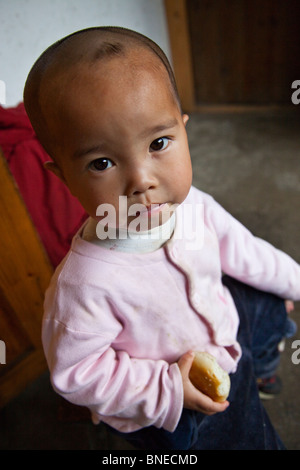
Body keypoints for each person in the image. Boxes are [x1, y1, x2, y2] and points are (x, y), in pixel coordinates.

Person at [23, 26, 299, 450]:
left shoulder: (193, 207)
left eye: (159, 142)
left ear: (185, 130)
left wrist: (291, 281)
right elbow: (78, 374)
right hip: (178, 403)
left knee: (265, 297)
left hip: (220, 323)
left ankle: (260, 365)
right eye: (101, 163)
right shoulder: (85, 286)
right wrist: (166, 389)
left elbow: (245, 250)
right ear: (63, 176)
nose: (141, 180)